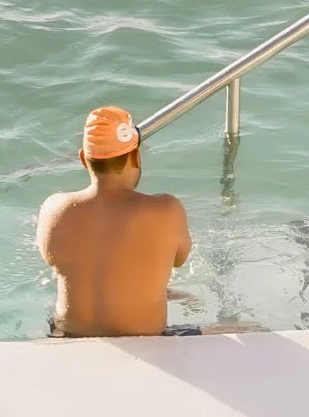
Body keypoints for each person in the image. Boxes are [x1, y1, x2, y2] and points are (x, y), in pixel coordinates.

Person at [37, 107, 193, 338]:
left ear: (83, 158)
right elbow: (180, 258)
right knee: (249, 330)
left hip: (65, 337)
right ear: (136, 157)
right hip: (146, 342)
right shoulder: (167, 210)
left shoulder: (54, 209)